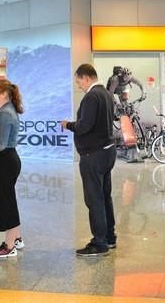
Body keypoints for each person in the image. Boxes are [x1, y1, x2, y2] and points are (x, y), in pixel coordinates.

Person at [61, 63, 117, 257]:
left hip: (94, 155)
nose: (78, 86)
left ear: (86, 78)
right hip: (107, 151)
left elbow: (85, 126)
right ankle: (109, 237)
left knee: (94, 199)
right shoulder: (107, 94)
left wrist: (68, 124)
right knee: (104, 196)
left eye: (78, 81)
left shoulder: (92, 96)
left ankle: (99, 242)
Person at [0, 79, 24, 258]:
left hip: (4, 161)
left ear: (4, 94)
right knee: (8, 200)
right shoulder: (4, 111)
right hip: (4, 161)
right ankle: (16, 238)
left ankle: (9, 246)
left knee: (5, 202)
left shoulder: (6, 114)